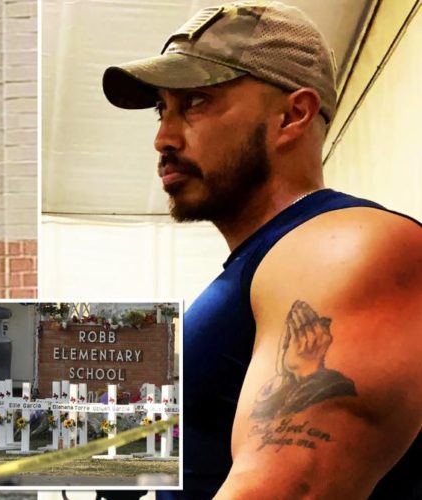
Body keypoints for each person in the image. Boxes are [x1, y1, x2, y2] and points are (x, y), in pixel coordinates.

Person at [102, 2, 421, 498]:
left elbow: (296, 488)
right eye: (162, 109)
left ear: (292, 115)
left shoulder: (344, 247)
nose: (163, 137)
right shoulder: (262, 268)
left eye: (196, 102)